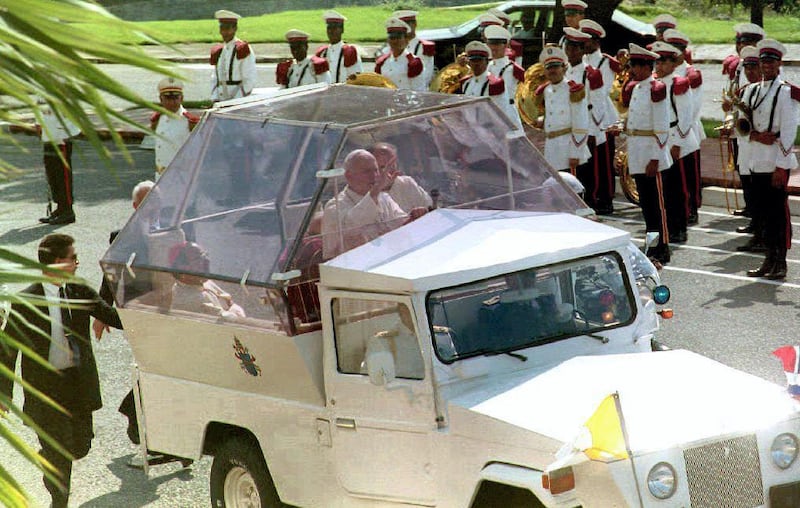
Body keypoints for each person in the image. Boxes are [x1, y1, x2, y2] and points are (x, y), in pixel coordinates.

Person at [0, 234, 122, 508]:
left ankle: (53, 460)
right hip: (46, 392)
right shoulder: (26, 301)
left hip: (77, 387)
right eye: (73, 258)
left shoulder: (80, 292)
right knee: (60, 456)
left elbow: (111, 316)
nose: (78, 263)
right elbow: (8, 350)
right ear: (56, 264)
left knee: (80, 446)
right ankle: (59, 499)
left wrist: (151, 308)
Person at [744, 39, 798, 280]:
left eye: (771, 62)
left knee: (777, 214)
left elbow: (788, 132)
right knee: (762, 213)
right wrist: (753, 134)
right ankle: (767, 259)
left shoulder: (786, 92)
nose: (766, 66)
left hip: (775, 159)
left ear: (779, 64)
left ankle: (781, 261)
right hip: (756, 158)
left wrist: (781, 166)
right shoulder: (753, 90)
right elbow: (741, 125)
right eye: (763, 62)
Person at [616, 43, 672, 264]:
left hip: (651, 154)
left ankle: (663, 246)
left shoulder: (656, 89)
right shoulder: (636, 88)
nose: (634, 70)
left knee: (657, 204)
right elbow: (635, 120)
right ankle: (652, 242)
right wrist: (622, 127)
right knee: (647, 206)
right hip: (638, 152)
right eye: (633, 66)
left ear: (648, 67)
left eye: (638, 66)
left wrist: (655, 158)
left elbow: (661, 127)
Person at [321, 149, 426, 259]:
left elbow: (400, 225)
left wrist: (414, 217)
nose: (375, 176)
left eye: (376, 170)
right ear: (349, 176)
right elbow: (352, 226)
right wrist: (375, 191)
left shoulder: (383, 198)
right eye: (367, 171)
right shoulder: (334, 206)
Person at [653, 41, 698, 245]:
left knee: (677, 188)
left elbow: (686, 117)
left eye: (664, 62)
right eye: (657, 62)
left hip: (676, 140)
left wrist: (677, 144)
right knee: (665, 188)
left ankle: (680, 228)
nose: (659, 66)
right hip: (662, 139)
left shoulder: (679, 84)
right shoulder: (654, 84)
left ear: (673, 64)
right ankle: (669, 224)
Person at [721, 23, 765, 219]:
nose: (742, 46)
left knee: (756, 174)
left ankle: (758, 214)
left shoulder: (762, 66)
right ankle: (751, 209)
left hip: (757, 129)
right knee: (743, 168)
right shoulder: (738, 66)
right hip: (741, 128)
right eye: (739, 43)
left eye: (747, 43)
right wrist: (729, 111)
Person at [580, 19, 622, 214]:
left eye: (587, 40)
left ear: (596, 41)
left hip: (602, 116)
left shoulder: (606, 62)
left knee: (603, 161)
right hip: (583, 115)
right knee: (587, 161)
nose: (583, 44)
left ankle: (605, 199)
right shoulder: (580, 61)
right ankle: (589, 196)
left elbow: (602, 90)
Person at [563, 27, 607, 213]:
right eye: (569, 47)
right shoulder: (562, 71)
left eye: (576, 48)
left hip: (585, 128)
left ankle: (591, 205)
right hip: (567, 129)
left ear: (583, 50)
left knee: (587, 174)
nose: (571, 52)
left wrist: (592, 131)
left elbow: (599, 104)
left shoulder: (591, 73)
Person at [663, 29, 704, 225]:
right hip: (670, 130)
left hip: (687, 128)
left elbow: (693, 107)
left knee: (689, 174)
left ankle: (692, 207)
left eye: (676, 49)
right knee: (673, 178)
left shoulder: (691, 74)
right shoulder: (662, 74)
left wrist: (682, 131)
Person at [730, 47, 766, 253]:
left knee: (760, 191)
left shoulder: (765, 91)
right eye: (748, 68)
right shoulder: (744, 90)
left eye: (754, 68)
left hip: (759, 148)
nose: (750, 72)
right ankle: (755, 226)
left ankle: (762, 234)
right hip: (744, 145)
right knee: (748, 187)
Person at [533, 45, 590, 175]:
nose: (552, 71)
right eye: (549, 68)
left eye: (556, 67)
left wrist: (576, 153)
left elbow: (581, 122)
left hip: (569, 150)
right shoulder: (546, 90)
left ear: (564, 68)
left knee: (574, 191)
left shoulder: (573, 89)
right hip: (552, 149)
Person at [169, 241, 246, 319]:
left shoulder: (202, 281)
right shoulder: (189, 300)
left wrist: (230, 305)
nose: (206, 261)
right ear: (182, 269)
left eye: (205, 255)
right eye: (198, 259)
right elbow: (236, 321)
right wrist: (231, 306)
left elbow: (230, 303)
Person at [458, 41, 518, 128]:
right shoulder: (466, 82)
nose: (476, 64)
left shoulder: (494, 83)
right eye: (473, 60)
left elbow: (502, 111)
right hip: (470, 130)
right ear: (469, 63)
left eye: (479, 60)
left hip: (489, 130)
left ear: (486, 62)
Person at [38, 105, 81, 225]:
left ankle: (68, 210)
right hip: (48, 133)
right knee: (52, 173)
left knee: (62, 174)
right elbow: (38, 106)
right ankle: (60, 206)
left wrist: (62, 131)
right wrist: (38, 123)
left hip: (61, 135)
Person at [151, 78, 200, 181]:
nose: (172, 102)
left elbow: (198, 151)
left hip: (181, 177)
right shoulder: (157, 119)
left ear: (181, 98)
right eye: (168, 98)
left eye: (175, 98)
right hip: (160, 176)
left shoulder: (190, 122)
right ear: (161, 99)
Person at [369, 142, 432, 212]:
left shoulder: (406, 183)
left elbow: (430, 208)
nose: (389, 170)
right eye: (383, 167)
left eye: (392, 165)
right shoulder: (366, 192)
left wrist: (423, 211)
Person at [210, 10, 257, 103]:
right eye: (222, 28)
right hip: (220, 97)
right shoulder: (219, 50)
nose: (224, 32)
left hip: (238, 97)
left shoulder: (242, 49)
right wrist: (214, 97)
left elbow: (249, 77)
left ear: (235, 28)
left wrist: (239, 99)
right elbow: (215, 77)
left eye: (227, 28)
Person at [485, 25, 525, 127]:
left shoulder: (514, 69)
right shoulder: (486, 66)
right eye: (490, 44)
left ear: (506, 45)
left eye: (498, 44)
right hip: (488, 112)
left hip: (508, 112)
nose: (493, 48)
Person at [375, 18, 425, 91]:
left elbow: (418, 91)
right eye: (392, 38)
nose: (395, 41)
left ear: (406, 40)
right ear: (388, 40)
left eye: (399, 38)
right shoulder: (382, 62)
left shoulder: (413, 63)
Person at [315, 10, 362, 83]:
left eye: (335, 28)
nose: (331, 31)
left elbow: (356, 80)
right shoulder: (322, 53)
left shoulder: (349, 53)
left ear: (342, 30)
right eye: (329, 28)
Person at [393, 10, 436, 88]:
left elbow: (426, 76)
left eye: (407, 24)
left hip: (416, 92)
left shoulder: (423, 47)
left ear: (415, 24)